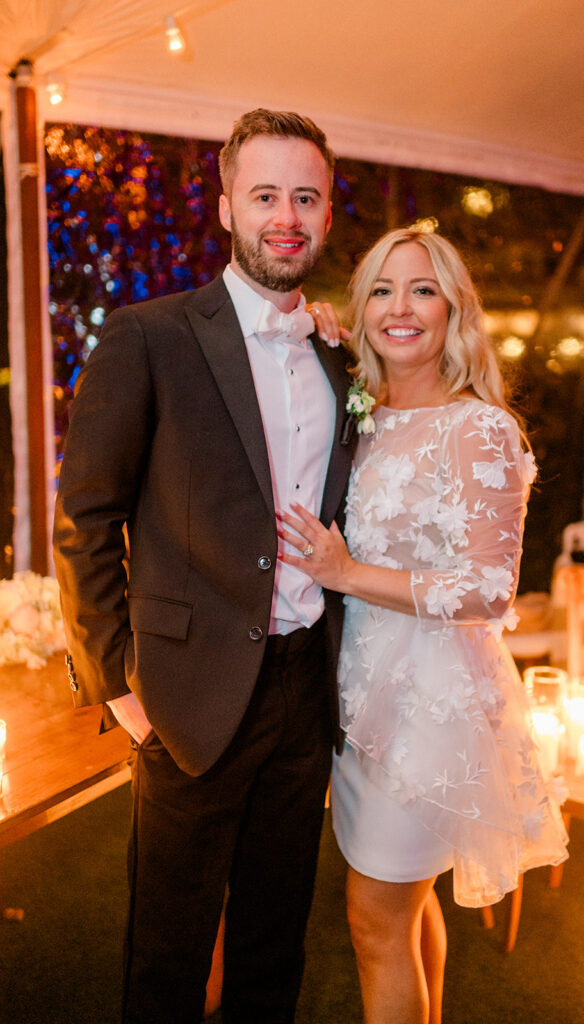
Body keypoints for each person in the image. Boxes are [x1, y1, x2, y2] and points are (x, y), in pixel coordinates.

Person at [53, 108, 356, 1024]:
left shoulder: (344, 355)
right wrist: (119, 690)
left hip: (305, 694)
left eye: (305, 196)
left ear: (329, 215)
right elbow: (85, 519)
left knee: (276, 942)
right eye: (265, 194)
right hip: (184, 699)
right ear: (227, 205)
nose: (286, 216)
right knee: (167, 957)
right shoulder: (149, 337)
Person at [279, 222, 569, 1024]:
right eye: (381, 289)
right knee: (404, 910)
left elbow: (487, 589)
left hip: (428, 707)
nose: (400, 308)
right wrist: (322, 326)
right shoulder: (360, 411)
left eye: (422, 289)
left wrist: (346, 574)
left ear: (453, 310)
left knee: (376, 919)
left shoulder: (480, 427)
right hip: (356, 697)